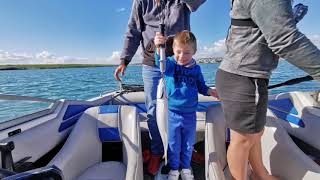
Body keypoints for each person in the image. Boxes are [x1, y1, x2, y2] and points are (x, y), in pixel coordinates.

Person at [215, 0, 320, 180]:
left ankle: (261, 175)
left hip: (245, 76)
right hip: (244, 77)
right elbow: (286, 40)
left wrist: (291, 16)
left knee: (255, 135)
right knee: (243, 140)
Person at [114, 0, 206, 175]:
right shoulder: (141, 2)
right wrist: (124, 59)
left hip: (178, 62)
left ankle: (184, 151)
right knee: (154, 109)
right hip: (152, 63)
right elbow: (133, 30)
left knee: (183, 105)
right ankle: (158, 151)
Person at [154, 30, 219, 180]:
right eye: (178, 52)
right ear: (173, 50)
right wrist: (159, 47)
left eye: (187, 53)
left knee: (189, 144)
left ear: (194, 52)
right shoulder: (170, 64)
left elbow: (201, 86)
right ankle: (175, 168)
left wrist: (210, 91)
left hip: (190, 114)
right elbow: (160, 63)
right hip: (172, 114)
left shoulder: (196, 69)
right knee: (174, 144)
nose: (182, 56)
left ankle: (185, 167)